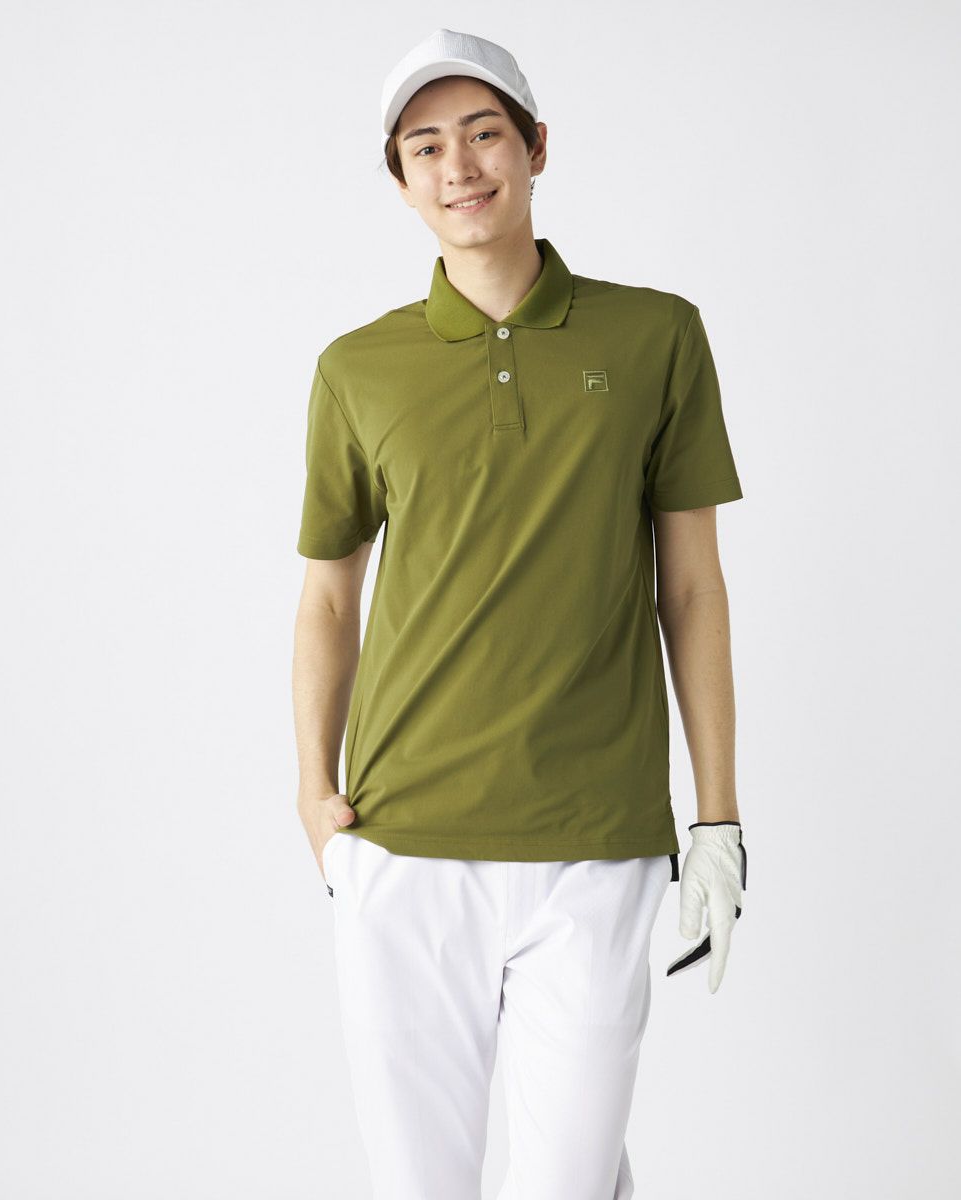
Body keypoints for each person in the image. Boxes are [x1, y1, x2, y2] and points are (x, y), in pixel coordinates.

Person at [292, 27, 748, 1200]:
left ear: (536, 146)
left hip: (592, 842)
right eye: (425, 146)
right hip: (401, 841)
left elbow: (691, 586)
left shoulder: (654, 336)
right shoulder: (357, 368)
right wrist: (314, 797)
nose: (459, 166)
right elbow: (330, 594)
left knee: (568, 1182)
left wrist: (717, 817)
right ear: (399, 179)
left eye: (483, 133)